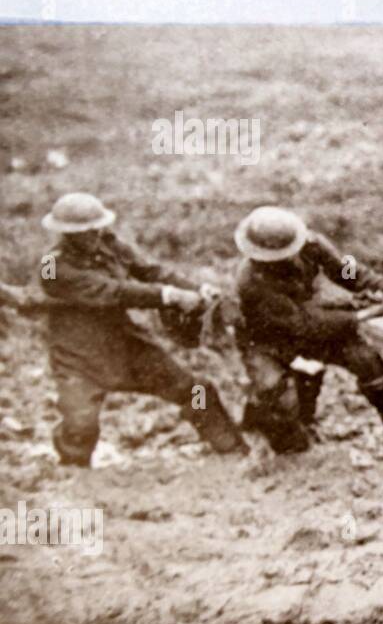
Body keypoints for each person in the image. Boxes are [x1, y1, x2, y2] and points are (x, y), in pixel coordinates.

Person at [35, 192, 248, 466]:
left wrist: (195, 289)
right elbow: (113, 291)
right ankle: (75, 473)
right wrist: (168, 296)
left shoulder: (109, 244)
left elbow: (152, 271)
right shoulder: (52, 266)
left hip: (125, 343)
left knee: (195, 390)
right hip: (77, 356)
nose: (94, 235)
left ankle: (232, 452)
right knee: (80, 424)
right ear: (66, 233)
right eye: (84, 232)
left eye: (96, 228)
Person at [232, 206, 383, 457]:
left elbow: (348, 272)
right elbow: (303, 326)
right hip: (267, 339)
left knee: (369, 362)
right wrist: (367, 313)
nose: (288, 259)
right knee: (277, 394)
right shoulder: (251, 283)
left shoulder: (310, 244)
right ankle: (282, 441)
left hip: (314, 318)